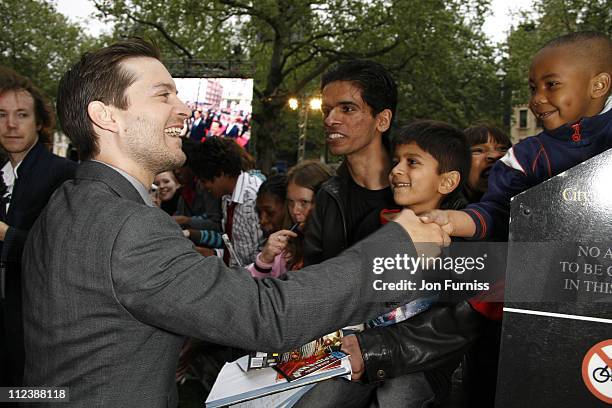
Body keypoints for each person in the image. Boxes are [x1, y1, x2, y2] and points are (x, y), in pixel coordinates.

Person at [20, 38, 448, 408]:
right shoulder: (128, 226)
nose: (183, 107)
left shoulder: (68, 202)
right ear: (107, 116)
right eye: (163, 95)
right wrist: (399, 250)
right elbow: (267, 315)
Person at [422, 31, 612, 241]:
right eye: (533, 88)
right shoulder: (524, 158)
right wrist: (455, 221)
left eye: (552, 85)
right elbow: (500, 212)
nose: (537, 99)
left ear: (598, 85)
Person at [0, 67, 76, 386]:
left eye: (22, 114)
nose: (11, 124)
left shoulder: (65, 175)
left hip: (36, 327)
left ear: (40, 122)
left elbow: (64, 252)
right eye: (1, 114)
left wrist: (6, 235)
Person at [248, 161, 333, 278]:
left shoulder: (338, 248)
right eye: (290, 202)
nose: (294, 211)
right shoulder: (286, 251)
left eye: (304, 202)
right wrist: (264, 261)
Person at [189, 137, 264, 266]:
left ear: (221, 173)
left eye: (204, 180)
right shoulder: (226, 198)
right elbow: (238, 254)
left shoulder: (254, 199)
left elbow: (263, 258)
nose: (204, 187)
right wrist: (213, 254)